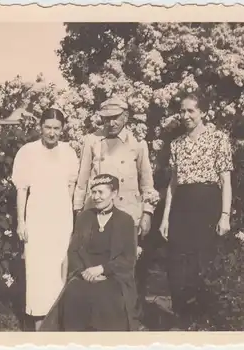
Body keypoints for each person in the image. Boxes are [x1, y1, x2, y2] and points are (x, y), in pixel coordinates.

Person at [73, 96, 158, 330]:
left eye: (115, 118)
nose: (110, 123)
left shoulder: (137, 143)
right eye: (106, 119)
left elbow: (147, 183)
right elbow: (82, 180)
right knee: (100, 267)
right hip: (99, 216)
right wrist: (79, 211)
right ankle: (102, 320)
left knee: (129, 270)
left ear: (126, 117)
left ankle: (133, 320)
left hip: (128, 215)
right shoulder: (93, 141)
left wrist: (147, 212)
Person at [159, 92, 233, 328]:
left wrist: (225, 215)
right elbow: (173, 183)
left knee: (202, 260)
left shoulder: (218, 138)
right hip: (182, 205)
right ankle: (182, 316)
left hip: (207, 203)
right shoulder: (177, 144)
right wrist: (165, 217)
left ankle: (203, 317)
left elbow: (226, 181)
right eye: (182, 111)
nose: (186, 115)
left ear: (202, 113)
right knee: (176, 261)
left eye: (191, 110)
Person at [39, 174, 138, 331]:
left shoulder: (125, 220)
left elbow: (128, 258)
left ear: (114, 194)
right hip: (84, 275)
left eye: (101, 192)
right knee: (73, 294)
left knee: (106, 298)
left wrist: (103, 269)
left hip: (113, 277)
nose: (96, 197)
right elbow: (74, 250)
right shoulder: (85, 217)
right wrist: (84, 272)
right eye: (93, 192)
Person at [11, 107, 79, 331]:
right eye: (48, 127)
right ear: (40, 127)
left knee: (60, 266)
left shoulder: (69, 152)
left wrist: (68, 218)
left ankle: (58, 320)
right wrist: (21, 222)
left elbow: (71, 187)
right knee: (38, 269)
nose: (52, 133)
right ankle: (40, 323)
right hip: (37, 218)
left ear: (63, 129)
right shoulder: (27, 152)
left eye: (57, 128)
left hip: (60, 218)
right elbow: (22, 189)